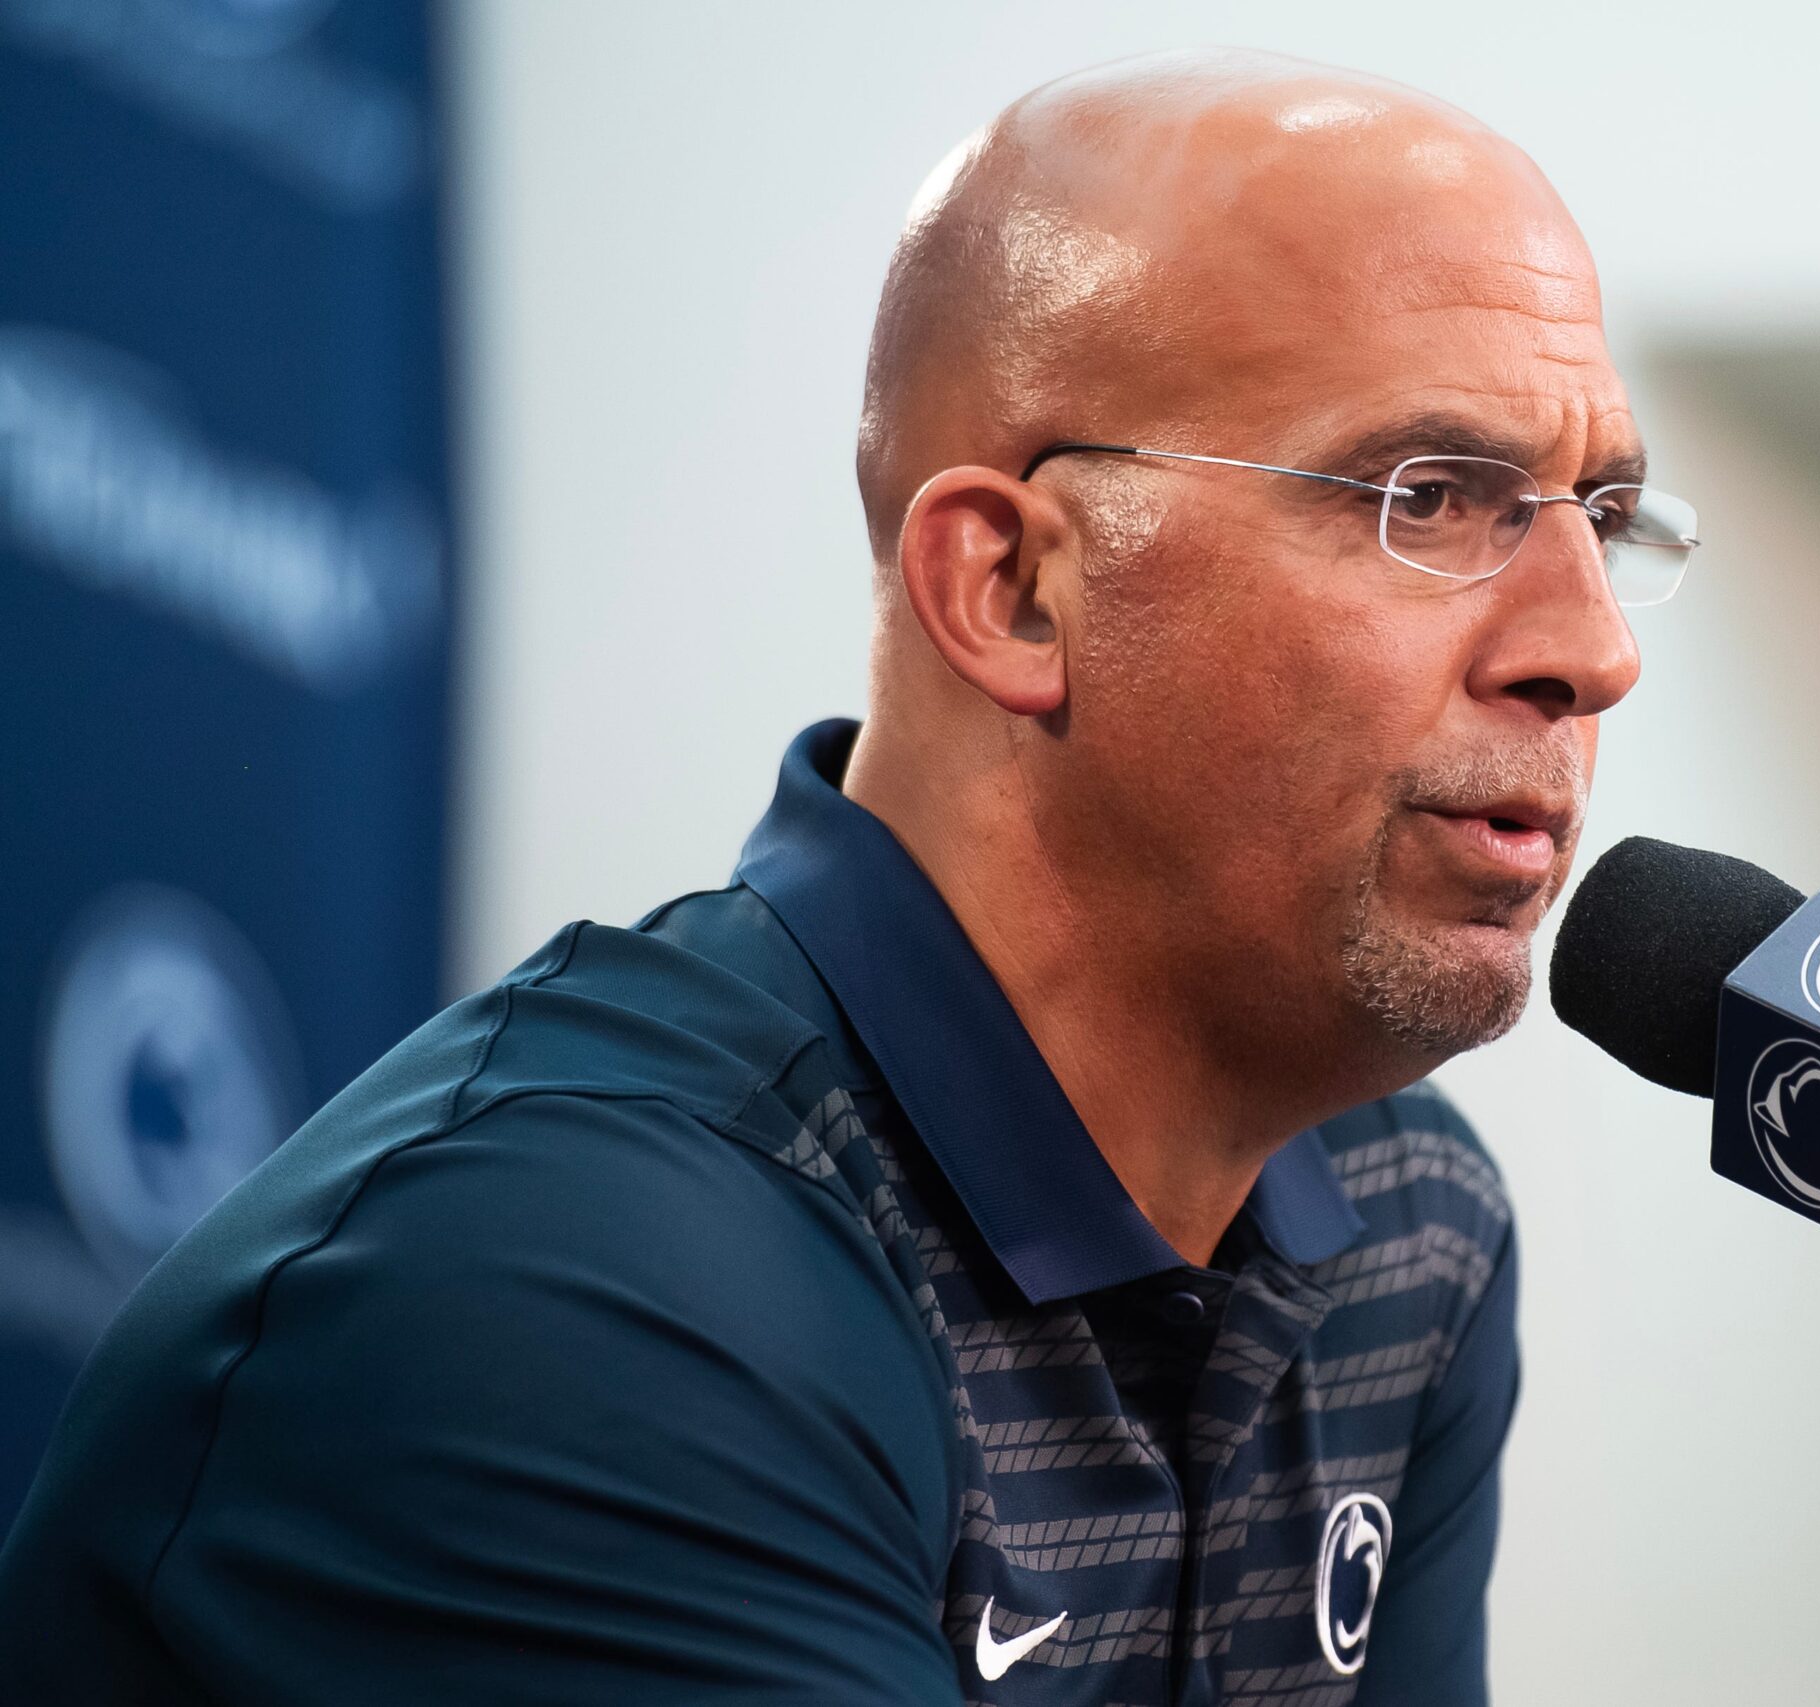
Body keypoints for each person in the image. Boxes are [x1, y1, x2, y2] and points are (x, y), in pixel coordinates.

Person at [0, 47, 1691, 1704]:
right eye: (1433, 496)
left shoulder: (1407, 1231)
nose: (1591, 650)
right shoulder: (579, 1281)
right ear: (1016, 590)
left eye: (1600, 515)